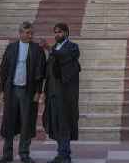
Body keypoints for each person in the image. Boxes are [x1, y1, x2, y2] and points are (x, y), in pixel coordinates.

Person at [0, 21, 46, 163]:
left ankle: (24, 153)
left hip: (28, 91)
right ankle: (7, 153)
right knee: (8, 121)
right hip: (11, 89)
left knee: (27, 121)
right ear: (20, 33)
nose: (30, 35)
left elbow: (41, 73)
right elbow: (4, 70)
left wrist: (38, 92)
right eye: (27, 33)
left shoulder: (37, 49)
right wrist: (2, 90)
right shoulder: (11, 48)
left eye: (32, 33)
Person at [42, 23, 82, 163]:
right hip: (53, 92)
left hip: (65, 94)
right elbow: (49, 72)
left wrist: (50, 50)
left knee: (64, 124)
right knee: (56, 124)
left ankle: (64, 155)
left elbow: (65, 58)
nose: (56, 35)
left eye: (59, 32)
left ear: (66, 33)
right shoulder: (54, 48)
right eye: (55, 32)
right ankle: (62, 153)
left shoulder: (72, 47)